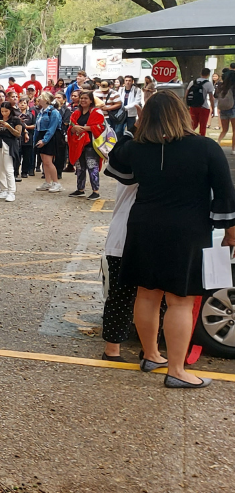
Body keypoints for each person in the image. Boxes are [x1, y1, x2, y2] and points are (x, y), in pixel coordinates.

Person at [104, 91, 235, 388]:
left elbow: (116, 166)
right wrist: (230, 231)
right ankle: (177, 370)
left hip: (142, 226)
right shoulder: (205, 147)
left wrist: (133, 128)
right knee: (180, 301)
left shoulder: (138, 147)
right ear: (182, 112)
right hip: (187, 229)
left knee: (147, 294)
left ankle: (151, 354)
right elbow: (226, 193)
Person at [101, 127, 138, 362]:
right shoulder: (139, 153)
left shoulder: (128, 152)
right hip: (128, 233)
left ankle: (114, 348)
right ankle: (116, 348)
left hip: (122, 234)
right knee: (146, 297)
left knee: (122, 296)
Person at [67, 90, 106, 200]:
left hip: (91, 144)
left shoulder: (96, 112)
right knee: (80, 167)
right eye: (82, 98)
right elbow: (71, 127)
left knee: (92, 166)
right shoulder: (76, 113)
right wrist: (74, 129)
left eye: (86, 98)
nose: (83, 100)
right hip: (78, 143)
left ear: (91, 101)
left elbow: (100, 127)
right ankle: (80, 189)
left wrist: (84, 128)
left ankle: (96, 191)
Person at [0, 98, 23, 202]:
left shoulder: (15, 120)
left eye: (6, 111)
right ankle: (3, 189)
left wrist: (9, 126)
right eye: (2, 111)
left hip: (9, 144)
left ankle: (11, 191)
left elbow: (18, 134)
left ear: (10, 110)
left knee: (8, 167)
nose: (4, 113)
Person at [33, 93, 64, 193]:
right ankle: (47, 182)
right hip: (42, 135)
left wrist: (45, 140)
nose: (39, 99)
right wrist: (35, 139)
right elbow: (37, 127)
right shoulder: (41, 112)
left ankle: (56, 183)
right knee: (44, 161)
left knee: (48, 161)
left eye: (41, 98)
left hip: (50, 137)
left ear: (46, 100)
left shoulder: (53, 112)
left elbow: (52, 128)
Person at [184, 68, 215, 134]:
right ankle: (202, 140)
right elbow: (211, 98)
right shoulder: (208, 84)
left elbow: (186, 94)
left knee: (193, 125)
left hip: (193, 107)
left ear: (200, 73)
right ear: (208, 74)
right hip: (204, 107)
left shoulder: (193, 82)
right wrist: (213, 108)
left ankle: (187, 136)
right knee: (203, 126)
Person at [214, 71, 235, 153]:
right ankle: (233, 149)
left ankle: (218, 143)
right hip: (233, 109)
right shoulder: (233, 87)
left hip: (223, 110)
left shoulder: (220, 86)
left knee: (224, 130)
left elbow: (215, 96)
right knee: (234, 130)